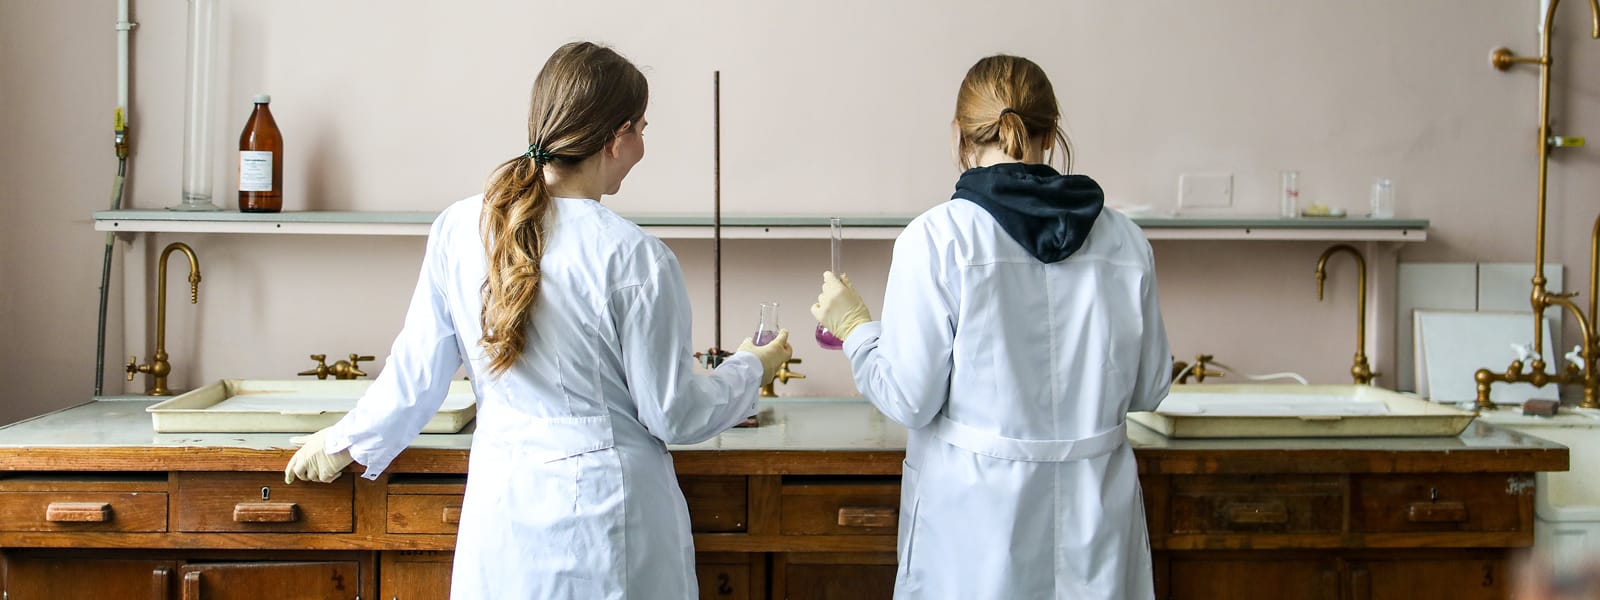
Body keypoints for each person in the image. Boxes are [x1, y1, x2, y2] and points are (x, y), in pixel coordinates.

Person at [284, 41, 792, 599]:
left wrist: (343, 443)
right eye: (643, 129)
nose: (643, 145)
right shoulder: (635, 258)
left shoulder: (459, 229)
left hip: (504, 517)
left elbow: (416, 375)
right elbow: (673, 414)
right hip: (608, 524)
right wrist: (752, 367)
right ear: (617, 138)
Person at [811, 54, 1171, 599]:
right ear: (1051, 133)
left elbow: (910, 399)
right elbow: (1148, 389)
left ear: (960, 135)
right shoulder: (1124, 241)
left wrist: (857, 328)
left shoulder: (937, 239)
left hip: (974, 533)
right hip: (1095, 522)